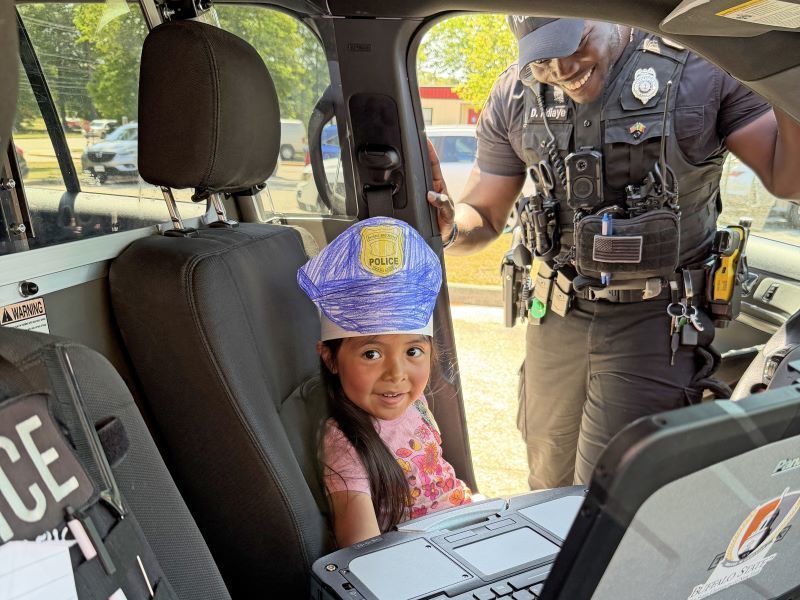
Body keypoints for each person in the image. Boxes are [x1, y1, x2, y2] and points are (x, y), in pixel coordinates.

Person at [426, 16, 800, 490]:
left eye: (573, 44)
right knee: (547, 482)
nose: (562, 68)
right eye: (542, 57)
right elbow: (483, 213)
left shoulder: (702, 70)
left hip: (656, 322)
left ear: (606, 12)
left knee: (618, 497)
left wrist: (786, 73)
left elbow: (789, 179)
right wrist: (449, 227)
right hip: (554, 317)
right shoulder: (513, 94)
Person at [297, 216, 472, 547]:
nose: (397, 373)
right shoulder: (345, 445)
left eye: (413, 351)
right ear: (330, 358)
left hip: (466, 530)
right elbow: (363, 555)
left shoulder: (414, 403)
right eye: (372, 354)